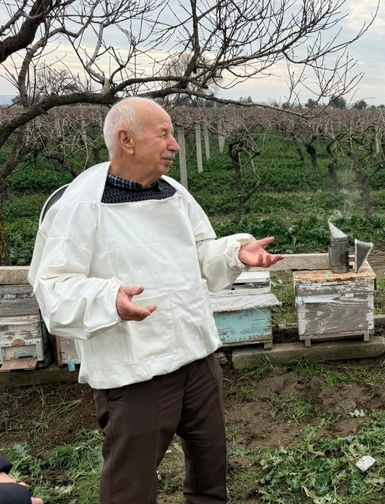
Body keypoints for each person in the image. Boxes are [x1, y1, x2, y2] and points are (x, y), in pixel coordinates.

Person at [28, 97, 285, 503]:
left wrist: (235, 253)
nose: (174, 144)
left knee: (210, 466)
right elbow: (52, 286)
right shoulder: (79, 206)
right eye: (163, 134)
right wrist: (108, 298)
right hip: (135, 372)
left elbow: (201, 251)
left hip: (195, 356)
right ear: (126, 140)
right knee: (130, 487)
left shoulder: (174, 193)